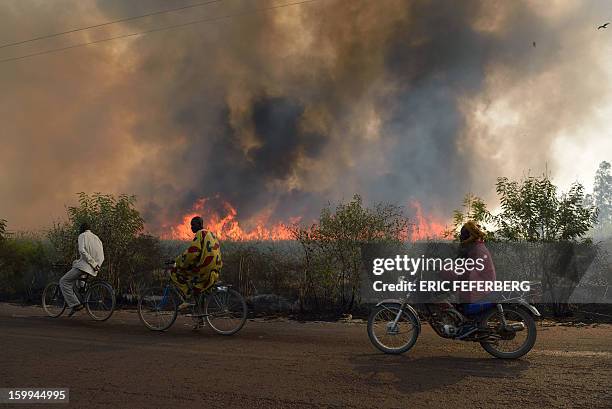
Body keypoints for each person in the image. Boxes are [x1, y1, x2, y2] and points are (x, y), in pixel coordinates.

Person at [171, 216, 222, 313]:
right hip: (215, 269)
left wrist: (179, 262)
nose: (191, 227)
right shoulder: (211, 234)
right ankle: (200, 319)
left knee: (175, 272)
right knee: (198, 290)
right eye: (191, 225)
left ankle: (189, 297)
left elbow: (193, 253)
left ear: (199, 224)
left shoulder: (200, 234)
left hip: (205, 269)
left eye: (193, 225)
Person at [59, 222, 104, 316]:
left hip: (87, 266)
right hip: (94, 267)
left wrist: (92, 263)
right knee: (75, 264)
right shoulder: (97, 238)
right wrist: (96, 265)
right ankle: (82, 290)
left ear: (81, 229)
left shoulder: (82, 235)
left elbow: (82, 250)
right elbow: (102, 255)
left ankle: (75, 304)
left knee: (63, 281)